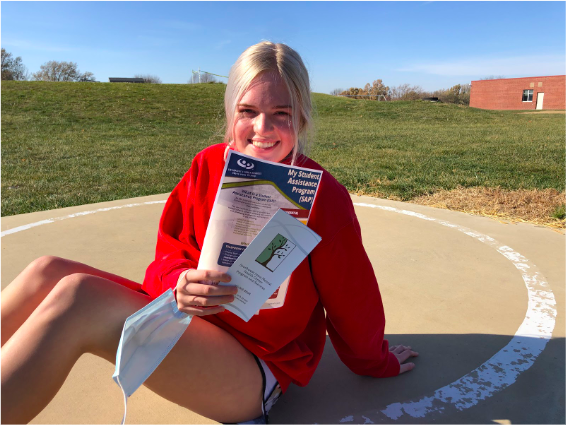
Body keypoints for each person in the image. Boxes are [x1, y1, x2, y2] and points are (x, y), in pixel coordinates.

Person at [1, 41, 418, 425]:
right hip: (190, 324)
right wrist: (179, 281)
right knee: (46, 270)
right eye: (248, 111)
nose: (262, 128)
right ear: (230, 113)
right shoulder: (207, 165)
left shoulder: (322, 195)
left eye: (281, 113)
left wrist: (375, 361)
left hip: (253, 369)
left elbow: (353, 299)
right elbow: (169, 251)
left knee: (79, 298)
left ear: (302, 116)